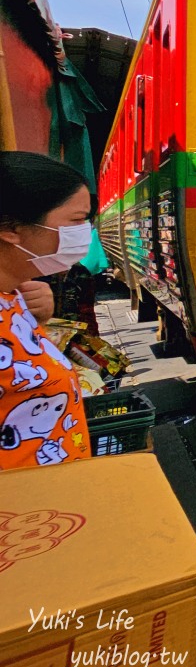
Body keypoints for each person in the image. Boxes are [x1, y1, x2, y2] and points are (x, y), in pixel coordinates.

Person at [0, 151, 95, 469]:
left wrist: (39, 323)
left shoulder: (15, 295)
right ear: (11, 228)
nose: (86, 233)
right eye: (77, 221)